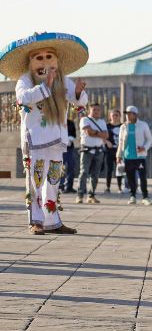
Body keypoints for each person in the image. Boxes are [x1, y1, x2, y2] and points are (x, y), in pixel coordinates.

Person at [0, 32, 89, 235]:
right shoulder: (25, 80)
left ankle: (53, 221)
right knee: (36, 179)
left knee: (54, 180)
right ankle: (36, 221)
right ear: (30, 62)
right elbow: (22, 98)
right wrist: (45, 86)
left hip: (57, 139)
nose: (45, 61)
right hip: (35, 139)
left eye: (49, 56)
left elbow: (78, 101)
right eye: (39, 57)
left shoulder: (63, 80)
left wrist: (77, 92)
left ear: (56, 60)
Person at [117, 106, 152, 205]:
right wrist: (119, 155)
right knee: (130, 177)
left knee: (142, 177)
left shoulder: (143, 125)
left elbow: (149, 139)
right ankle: (132, 196)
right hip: (128, 156)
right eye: (126, 114)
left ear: (135, 115)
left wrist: (144, 148)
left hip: (140, 156)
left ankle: (145, 197)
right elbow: (121, 142)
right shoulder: (123, 126)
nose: (127, 115)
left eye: (130, 113)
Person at [78, 103, 108, 204]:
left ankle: (91, 196)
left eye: (98, 110)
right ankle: (80, 195)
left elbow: (106, 135)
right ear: (89, 110)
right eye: (94, 109)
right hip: (87, 150)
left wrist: (95, 132)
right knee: (84, 173)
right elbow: (89, 132)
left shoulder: (102, 122)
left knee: (95, 175)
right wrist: (99, 134)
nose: (96, 112)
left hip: (99, 151)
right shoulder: (85, 119)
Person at [104, 109, 122, 193]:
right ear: (110, 116)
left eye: (116, 115)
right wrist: (107, 142)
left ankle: (120, 187)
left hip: (120, 151)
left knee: (119, 169)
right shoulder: (106, 126)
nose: (115, 117)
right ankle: (108, 187)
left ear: (120, 116)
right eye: (113, 115)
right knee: (109, 169)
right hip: (109, 151)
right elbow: (102, 137)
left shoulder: (123, 126)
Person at [62, 116, 78, 194]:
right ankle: (60, 186)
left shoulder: (71, 122)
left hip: (69, 148)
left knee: (71, 167)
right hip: (59, 149)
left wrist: (70, 139)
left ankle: (69, 186)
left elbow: (74, 134)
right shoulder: (56, 122)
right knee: (60, 167)